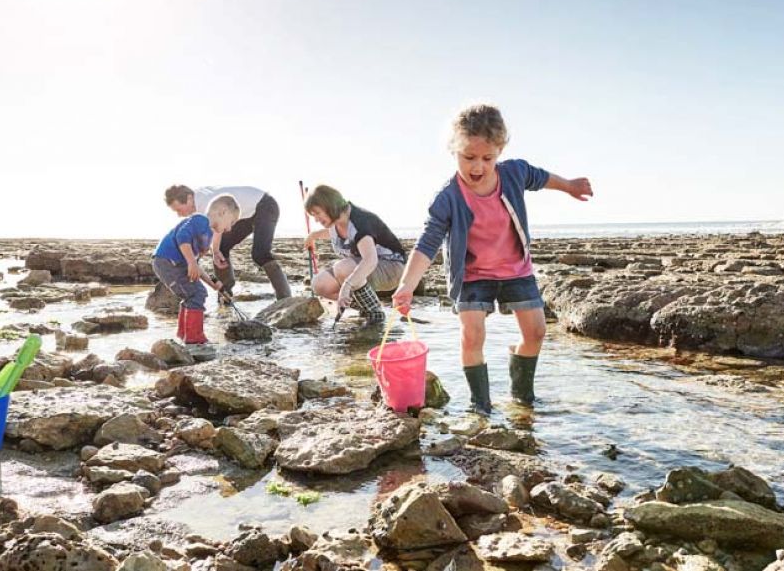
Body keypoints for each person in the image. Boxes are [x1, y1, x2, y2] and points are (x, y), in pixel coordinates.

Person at [392, 104, 593, 414]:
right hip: (472, 275)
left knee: (536, 332)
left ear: (499, 151)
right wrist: (407, 285)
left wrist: (569, 186)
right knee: (472, 335)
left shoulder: (513, 173)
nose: (478, 166)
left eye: (488, 158)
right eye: (468, 157)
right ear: (453, 151)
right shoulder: (448, 197)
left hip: (516, 269)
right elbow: (427, 243)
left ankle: (522, 396)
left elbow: (540, 178)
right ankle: (480, 404)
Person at [164, 184, 291, 301]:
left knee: (260, 254)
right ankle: (225, 294)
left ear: (189, 198)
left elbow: (218, 225)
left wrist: (213, 251)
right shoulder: (199, 202)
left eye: (179, 210)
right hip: (244, 215)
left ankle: (285, 298)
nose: (179, 215)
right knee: (222, 248)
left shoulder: (205, 204)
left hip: (265, 205)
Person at [303, 185, 406, 326]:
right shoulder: (337, 221)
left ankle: (375, 314)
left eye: (317, 213)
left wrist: (347, 286)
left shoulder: (359, 221)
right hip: (367, 270)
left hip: (392, 268)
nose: (316, 220)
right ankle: (367, 307)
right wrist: (313, 236)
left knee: (343, 268)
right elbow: (337, 234)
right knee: (319, 284)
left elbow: (370, 260)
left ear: (329, 205)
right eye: (313, 216)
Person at [152, 195, 240, 344]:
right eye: (231, 223)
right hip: (168, 261)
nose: (229, 229)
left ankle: (183, 334)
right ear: (223, 212)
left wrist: (214, 284)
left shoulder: (208, 235)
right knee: (197, 293)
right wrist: (191, 262)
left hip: (176, 264)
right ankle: (194, 338)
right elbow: (182, 236)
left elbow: (196, 266)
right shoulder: (201, 220)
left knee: (192, 294)